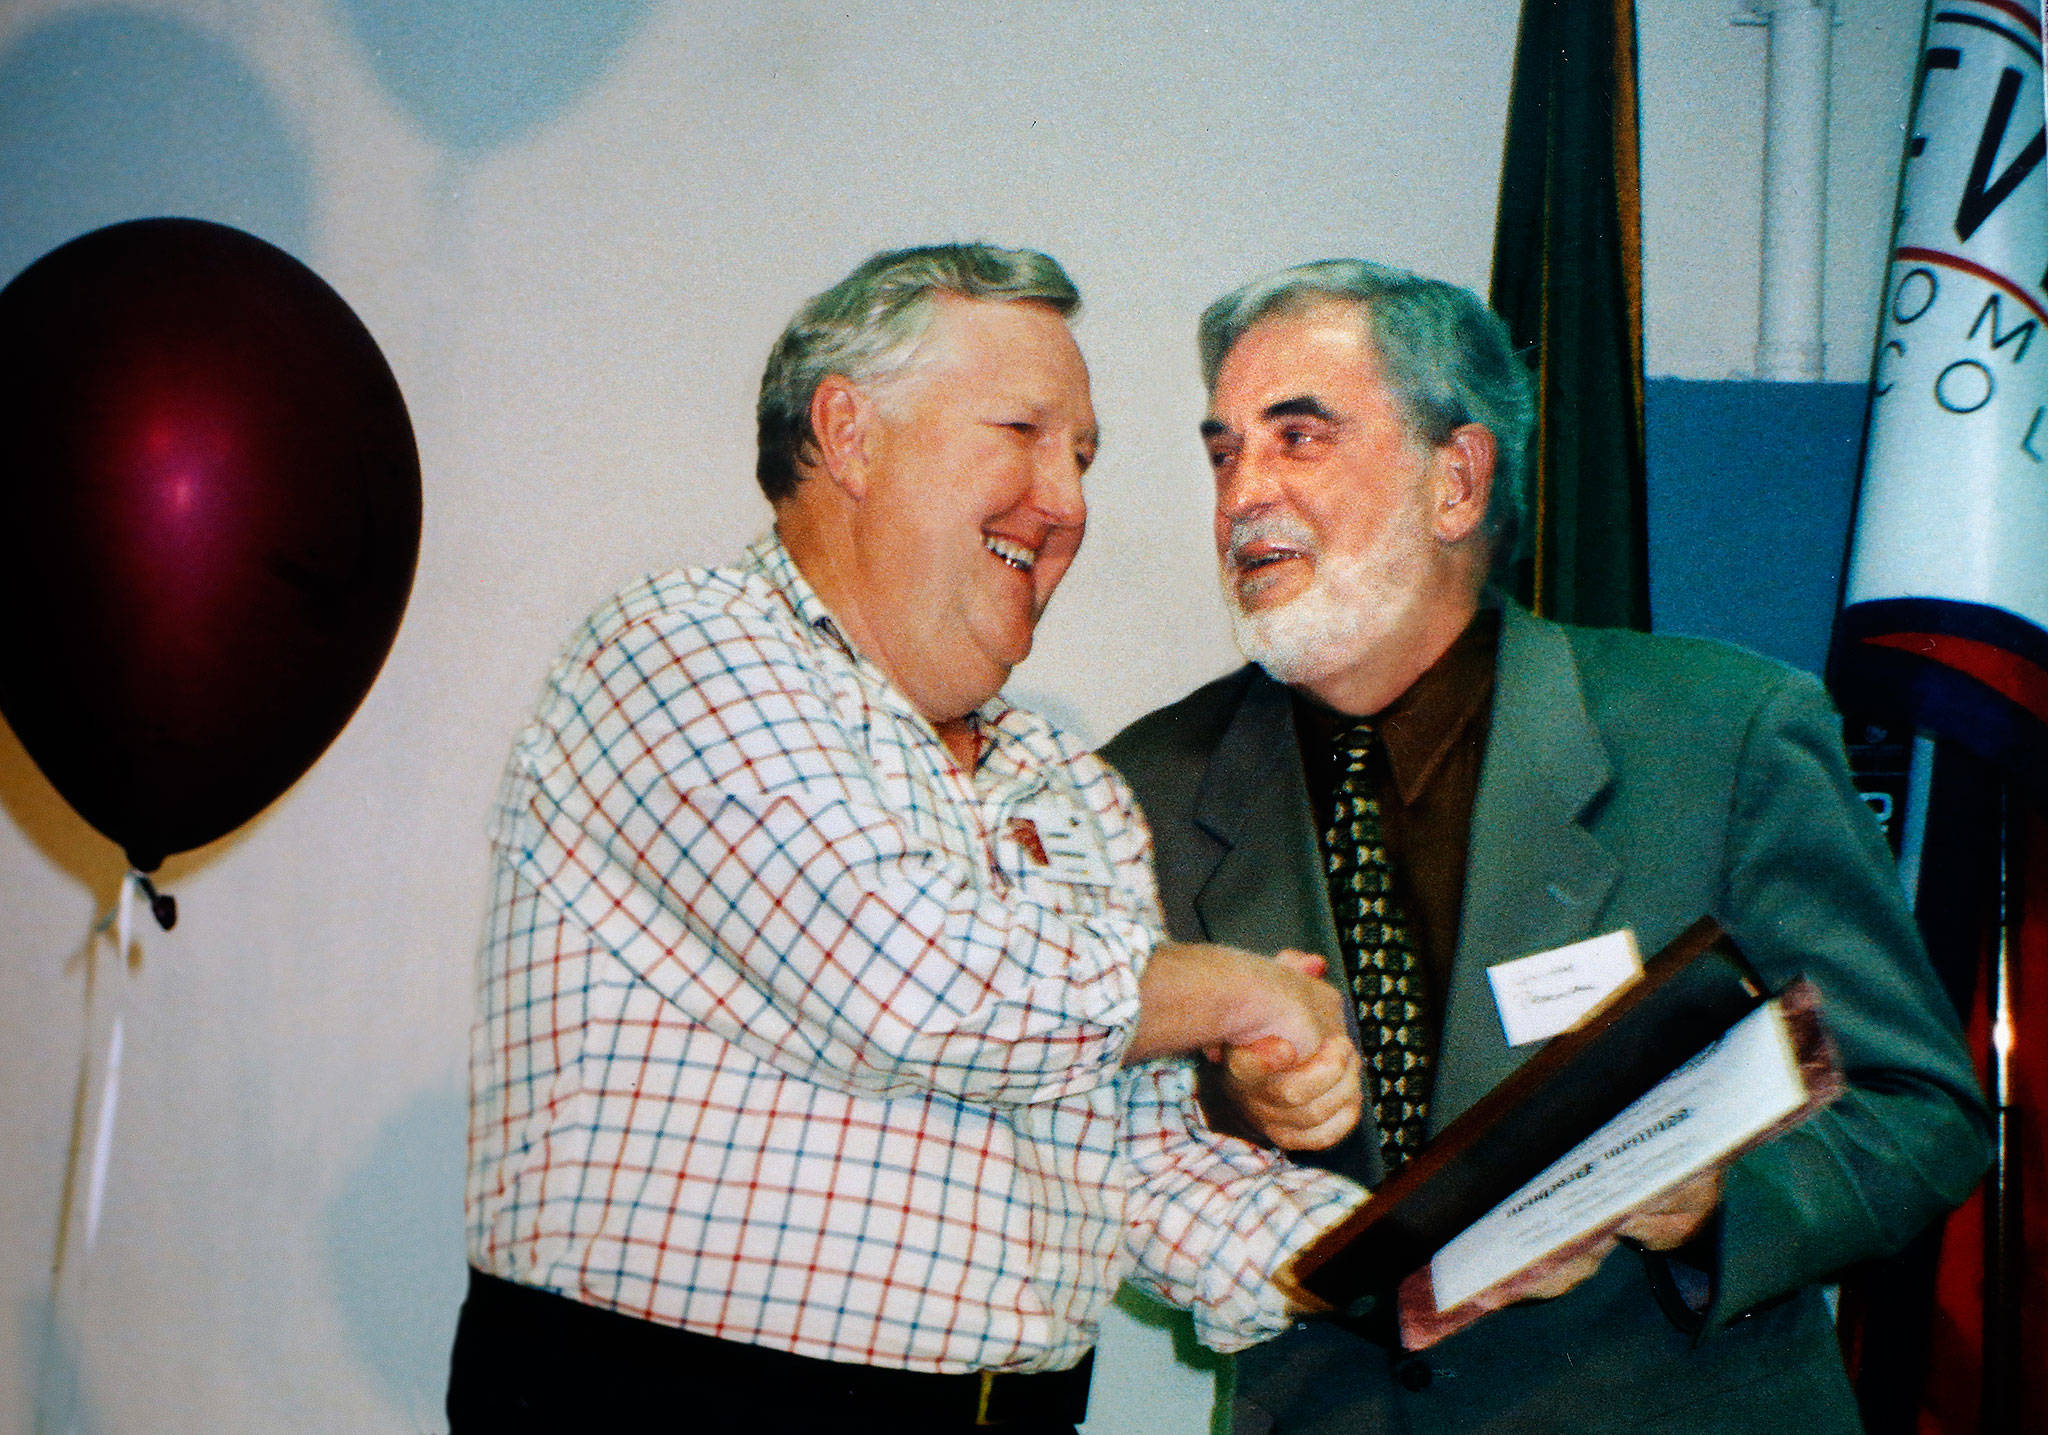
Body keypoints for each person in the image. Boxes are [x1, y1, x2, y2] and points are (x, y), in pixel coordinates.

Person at [448, 244, 1369, 1435]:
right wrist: (1233, 992)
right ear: (849, 433)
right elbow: (908, 982)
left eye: (1082, 457)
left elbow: (1140, 1165)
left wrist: (1405, 1259)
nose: (1068, 502)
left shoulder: (1065, 787)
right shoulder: (675, 652)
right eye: (1023, 432)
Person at [1101, 259, 1993, 1435]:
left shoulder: (1719, 734)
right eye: (1223, 453)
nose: (1241, 497)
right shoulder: (1143, 784)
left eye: (1297, 438)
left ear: (1454, 479)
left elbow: (1919, 1106)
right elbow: (1101, 1145)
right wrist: (1228, 1094)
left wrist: (1716, 1203)